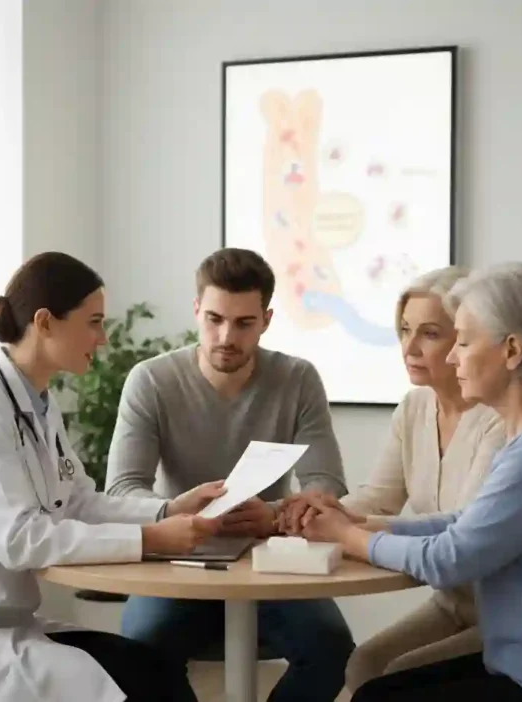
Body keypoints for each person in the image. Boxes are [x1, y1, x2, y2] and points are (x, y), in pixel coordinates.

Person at [0, 251, 231, 702]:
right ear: (45, 322)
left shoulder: (38, 406)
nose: (102, 338)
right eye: (94, 321)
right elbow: (20, 538)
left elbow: (79, 501)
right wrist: (151, 538)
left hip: (2, 624)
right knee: (138, 688)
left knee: (154, 671)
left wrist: (167, 508)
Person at [297, 261, 522, 702]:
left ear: (512, 351)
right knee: (374, 681)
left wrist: (348, 536)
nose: (453, 356)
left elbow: (450, 558)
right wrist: (366, 526)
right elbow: (467, 522)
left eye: (462, 340)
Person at [104, 247, 354, 702]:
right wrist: (175, 511)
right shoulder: (151, 380)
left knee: (333, 651)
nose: (225, 336)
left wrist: (274, 516)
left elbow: (327, 486)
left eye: (243, 323)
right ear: (197, 309)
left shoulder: (298, 380)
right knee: (139, 653)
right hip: (176, 555)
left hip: (269, 557)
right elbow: (122, 489)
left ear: (267, 320)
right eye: (214, 318)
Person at [279, 265, 506, 694]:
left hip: (503, 614)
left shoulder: (498, 418)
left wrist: (348, 531)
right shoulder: (414, 407)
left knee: (397, 674)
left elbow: (464, 524)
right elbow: (378, 500)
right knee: (364, 662)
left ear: (463, 336)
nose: (410, 347)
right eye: (404, 330)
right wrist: (308, 510)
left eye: (430, 333)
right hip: (451, 602)